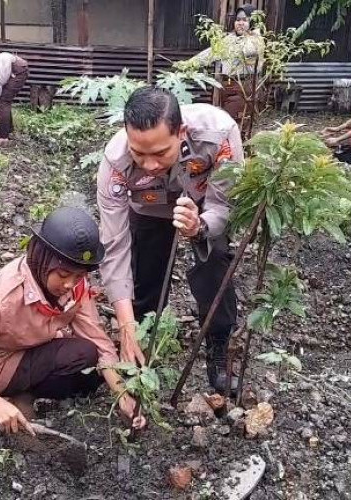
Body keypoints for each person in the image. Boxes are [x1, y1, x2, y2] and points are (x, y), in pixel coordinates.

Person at [0, 207, 146, 434]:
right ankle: (8, 398)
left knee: (87, 358)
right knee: (81, 367)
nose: (70, 284)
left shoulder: (76, 288)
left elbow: (98, 340)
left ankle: (26, 395)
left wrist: (122, 396)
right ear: (43, 260)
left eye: (79, 276)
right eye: (63, 275)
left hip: (26, 351)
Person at [97, 86, 242, 394]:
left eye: (161, 153)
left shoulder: (219, 134)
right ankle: (141, 340)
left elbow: (225, 204)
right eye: (140, 153)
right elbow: (114, 247)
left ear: (181, 132)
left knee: (214, 262)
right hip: (148, 206)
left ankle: (218, 344)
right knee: (145, 277)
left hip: (202, 203)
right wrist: (125, 326)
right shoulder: (115, 163)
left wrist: (199, 227)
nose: (149, 164)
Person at [179, 5, 265, 134]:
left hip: (243, 87)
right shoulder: (230, 38)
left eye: (245, 20)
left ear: (252, 22)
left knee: (236, 123)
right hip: (227, 85)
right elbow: (211, 53)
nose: (240, 23)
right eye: (238, 20)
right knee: (227, 121)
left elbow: (246, 50)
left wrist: (235, 41)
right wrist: (188, 64)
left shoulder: (256, 39)